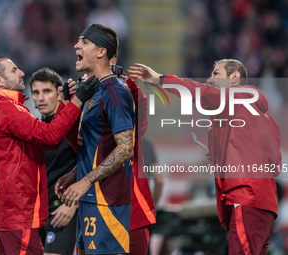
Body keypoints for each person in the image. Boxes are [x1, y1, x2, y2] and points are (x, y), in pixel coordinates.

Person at [128, 59, 282, 255]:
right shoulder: (266, 119)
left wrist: (159, 79)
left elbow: (197, 91)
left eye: (216, 74)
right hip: (266, 205)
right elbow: (274, 165)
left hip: (246, 197)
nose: (210, 79)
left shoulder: (234, 96)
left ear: (234, 78)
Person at [0, 56, 99, 255]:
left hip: (16, 211)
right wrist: (76, 101)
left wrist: (65, 105)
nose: (21, 73)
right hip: (19, 210)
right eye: (14, 70)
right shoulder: (8, 110)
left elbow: (47, 140)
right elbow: (50, 137)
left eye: (46, 91)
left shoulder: (3, 109)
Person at [55, 24, 135, 255]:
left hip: (107, 202)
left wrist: (85, 181)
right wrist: (75, 174)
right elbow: (95, 144)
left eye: (84, 42)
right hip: (90, 199)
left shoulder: (114, 91)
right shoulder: (92, 90)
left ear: (101, 51)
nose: (76, 45)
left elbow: (125, 148)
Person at [109, 60, 157, 255]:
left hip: (131, 211)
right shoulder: (88, 98)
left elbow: (140, 114)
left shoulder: (138, 137)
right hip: (98, 208)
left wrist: (127, 83)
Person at [29, 67, 78, 255]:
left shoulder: (72, 129)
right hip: (37, 214)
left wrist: (72, 204)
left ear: (59, 95)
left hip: (62, 211)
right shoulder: (35, 130)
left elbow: (91, 164)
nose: (40, 98)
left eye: (46, 91)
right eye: (36, 92)